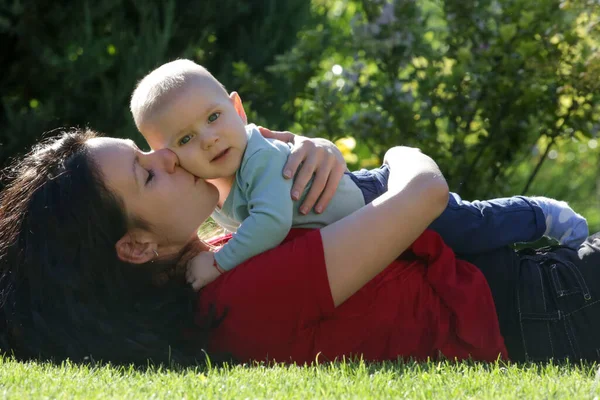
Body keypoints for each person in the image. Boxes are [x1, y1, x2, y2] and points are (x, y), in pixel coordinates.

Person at [1, 127, 599, 367]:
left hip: (542, 295)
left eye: (143, 149)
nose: (164, 156)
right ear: (134, 248)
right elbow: (424, 195)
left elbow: (326, 203)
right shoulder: (241, 299)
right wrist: (398, 156)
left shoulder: (219, 270)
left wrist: (316, 149)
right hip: (549, 306)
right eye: (146, 173)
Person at [129, 59, 587, 288]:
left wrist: (219, 262)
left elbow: (271, 222)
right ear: (165, 156)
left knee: (467, 226)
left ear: (237, 108)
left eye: (213, 118)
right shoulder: (211, 191)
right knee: (462, 261)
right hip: (360, 226)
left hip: (375, 197)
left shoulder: (260, 157)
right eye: (185, 140)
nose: (208, 139)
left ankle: (538, 213)